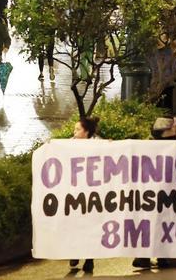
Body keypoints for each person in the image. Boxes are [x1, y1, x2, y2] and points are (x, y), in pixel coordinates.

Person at [69, 116, 100, 273]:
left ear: (86, 132)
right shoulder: (70, 144)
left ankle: (89, 259)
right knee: (76, 223)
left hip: (93, 194)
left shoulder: (98, 144)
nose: (74, 132)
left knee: (90, 226)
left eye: (78, 129)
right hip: (76, 193)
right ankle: (75, 252)